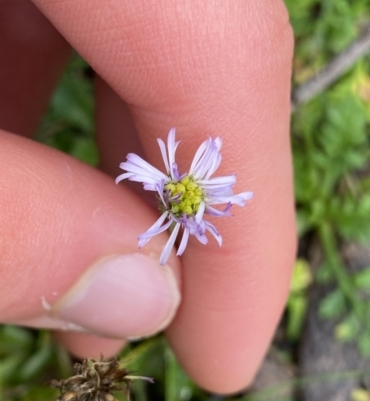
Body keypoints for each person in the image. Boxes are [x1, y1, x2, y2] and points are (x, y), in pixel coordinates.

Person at [0, 0, 295, 394]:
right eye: (183, 195)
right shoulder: (177, 190)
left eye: (187, 198)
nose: (184, 197)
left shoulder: (189, 197)